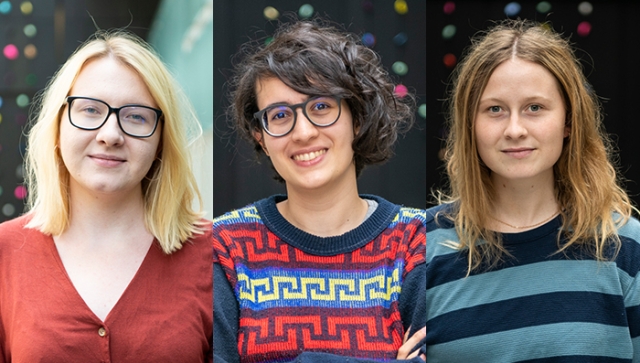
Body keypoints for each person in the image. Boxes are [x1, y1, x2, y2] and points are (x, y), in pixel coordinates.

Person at [213, 18, 426, 362]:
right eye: (280, 115)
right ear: (261, 137)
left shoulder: (417, 240)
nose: (303, 132)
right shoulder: (226, 247)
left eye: (321, 107)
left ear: (357, 118)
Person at [426, 19, 640, 362]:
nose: (514, 129)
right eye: (495, 109)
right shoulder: (421, 248)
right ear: (470, 124)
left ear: (569, 121)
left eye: (534, 108)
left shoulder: (624, 246)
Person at [0, 30, 213, 362]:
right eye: (89, 110)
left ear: (161, 139)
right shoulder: (5, 253)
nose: (110, 135)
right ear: (58, 124)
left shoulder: (215, 254)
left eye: (136, 116)